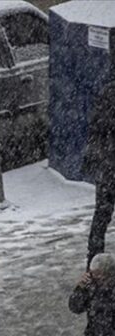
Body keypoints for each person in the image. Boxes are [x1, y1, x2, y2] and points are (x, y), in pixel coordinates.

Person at [84, 72, 115, 268]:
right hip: (108, 166)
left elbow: (96, 129)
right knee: (101, 216)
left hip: (106, 167)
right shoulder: (109, 94)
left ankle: (93, 265)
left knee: (101, 216)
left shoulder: (107, 93)